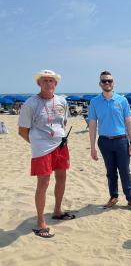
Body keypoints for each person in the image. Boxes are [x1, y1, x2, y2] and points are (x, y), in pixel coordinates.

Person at [18, 69, 75, 238]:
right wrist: (37, 143)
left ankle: (57, 210)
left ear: (56, 84)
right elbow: (22, 130)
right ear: (39, 83)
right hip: (41, 148)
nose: (49, 84)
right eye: (45, 81)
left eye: (52, 81)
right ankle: (40, 221)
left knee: (62, 177)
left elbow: (63, 122)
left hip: (60, 145)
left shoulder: (61, 101)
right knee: (43, 183)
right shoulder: (30, 103)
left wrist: (57, 138)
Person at [88, 71, 131, 211]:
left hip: (121, 140)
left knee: (125, 170)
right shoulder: (94, 102)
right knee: (110, 171)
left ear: (114, 83)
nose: (107, 83)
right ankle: (113, 196)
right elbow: (93, 125)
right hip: (104, 141)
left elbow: (129, 122)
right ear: (100, 84)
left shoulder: (122, 100)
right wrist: (92, 147)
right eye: (104, 81)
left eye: (109, 81)